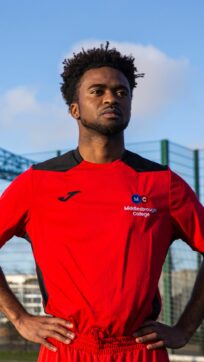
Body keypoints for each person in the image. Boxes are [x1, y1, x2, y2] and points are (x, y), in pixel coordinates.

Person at [0, 42, 204, 362]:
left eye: (121, 92)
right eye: (97, 91)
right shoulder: (37, 183)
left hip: (138, 349)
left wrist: (184, 329)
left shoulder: (163, 184)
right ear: (75, 108)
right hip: (66, 349)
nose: (111, 98)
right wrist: (19, 318)